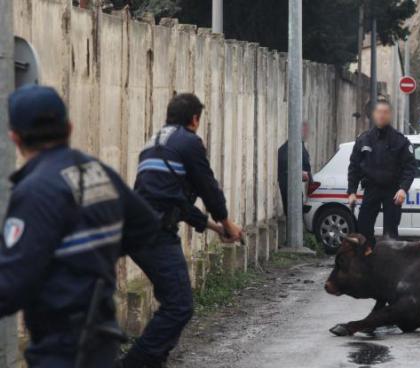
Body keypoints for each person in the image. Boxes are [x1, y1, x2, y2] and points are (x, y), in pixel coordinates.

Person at [0, 85, 160, 367]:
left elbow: (11, 286)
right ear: (69, 127)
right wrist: (94, 257)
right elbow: (146, 225)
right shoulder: (96, 171)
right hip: (101, 338)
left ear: (15, 137)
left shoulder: (35, 191)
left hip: (61, 348)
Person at [121, 93, 244, 367]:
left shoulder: (154, 144)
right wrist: (227, 222)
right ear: (194, 119)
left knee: (173, 303)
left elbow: (177, 202)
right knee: (179, 306)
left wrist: (213, 227)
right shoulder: (189, 142)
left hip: (137, 230)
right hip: (155, 233)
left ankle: (152, 361)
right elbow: (208, 188)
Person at [347, 100, 416, 246]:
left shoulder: (400, 140)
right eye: (379, 112)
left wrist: (403, 189)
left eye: (385, 112)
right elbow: (354, 167)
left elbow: (410, 167)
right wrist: (352, 191)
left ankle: (389, 265)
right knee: (363, 229)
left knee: (390, 235)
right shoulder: (364, 139)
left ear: (389, 115)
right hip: (371, 189)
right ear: (374, 115)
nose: (381, 116)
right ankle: (368, 260)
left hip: (392, 191)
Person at [277, 121, 312, 216]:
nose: (306, 132)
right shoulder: (289, 148)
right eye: (304, 129)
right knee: (293, 214)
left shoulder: (299, 145)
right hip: (289, 188)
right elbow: (284, 166)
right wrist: (299, 173)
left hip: (295, 187)